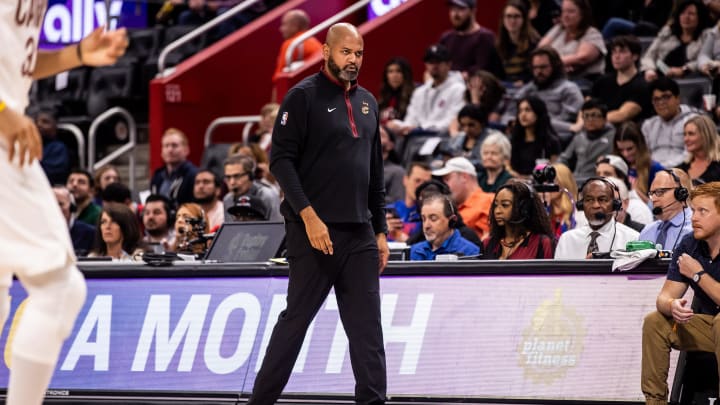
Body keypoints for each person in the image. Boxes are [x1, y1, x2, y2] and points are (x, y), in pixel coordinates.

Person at [247, 23, 388, 405]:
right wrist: (309, 216)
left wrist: (380, 230)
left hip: (359, 234)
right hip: (313, 234)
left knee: (368, 334)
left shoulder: (369, 103)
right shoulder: (302, 97)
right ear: (326, 51)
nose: (353, 60)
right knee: (295, 324)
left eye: (358, 54)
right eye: (346, 52)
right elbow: (281, 160)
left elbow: (373, 172)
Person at [640, 181, 720, 404]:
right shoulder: (689, 244)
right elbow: (664, 297)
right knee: (655, 322)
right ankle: (655, 401)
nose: (694, 217)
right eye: (693, 210)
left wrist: (697, 275)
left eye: (703, 211)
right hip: (708, 327)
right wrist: (671, 306)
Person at [385, 44, 466, 136]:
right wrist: (398, 125)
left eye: (438, 62)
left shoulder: (459, 89)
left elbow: (452, 122)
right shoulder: (420, 92)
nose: (434, 66)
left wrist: (421, 129)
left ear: (448, 64)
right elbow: (411, 120)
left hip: (441, 138)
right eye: (430, 62)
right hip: (416, 138)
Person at [510, 47, 584, 141]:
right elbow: (510, 114)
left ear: (555, 67)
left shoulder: (569, 89)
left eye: (543, 67)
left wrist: (536, 122)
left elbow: (569, 122)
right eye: (535, 68)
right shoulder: (527, 90)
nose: (539, 72)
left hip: (556, 137)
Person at [554, 177, 639, 259]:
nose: (595, 205)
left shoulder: (632, 239)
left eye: (602, 200)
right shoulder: (567, 240)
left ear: (614, 205)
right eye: (589, 200)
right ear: (581, 205)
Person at [640, 0, 712, 82]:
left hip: (689, 79)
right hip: (658, 77)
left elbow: (706, 59)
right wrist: (649, 70)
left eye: (691, 14)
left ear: (700, 17)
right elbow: (649, 55)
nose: (686, 17)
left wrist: (685, 69)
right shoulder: (668, 31)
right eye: (683, 13)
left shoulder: (707, 36)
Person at [589, 35, 652, 125]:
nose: (616, 56)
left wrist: (590, 119)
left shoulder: (642, 86)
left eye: (622, 52)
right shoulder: (602, 81)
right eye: (614, 52)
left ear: (635, 56)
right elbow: (585, 107)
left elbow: (621, 115)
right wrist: (581, 123)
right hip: (593, 126)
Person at [484, 181, 555, 259]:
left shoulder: (542, 243)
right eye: (495, 205)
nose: (497, 211)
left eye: (505, 205)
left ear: (523, 209)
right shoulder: (487, 244)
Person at [538, 0, 607, 79]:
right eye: (563, 11)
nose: (565, 15)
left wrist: (550, 64)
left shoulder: (592, 34)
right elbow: (540, 49)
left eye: (571, 12)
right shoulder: (558, 29)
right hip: (555, 78)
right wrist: (560, 66)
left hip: (583, 82)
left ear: (582, 14)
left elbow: (581, 58)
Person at [642, 77, 699, 168]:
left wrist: (662, 168)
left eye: (666, 97)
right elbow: (643, 155)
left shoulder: (693, 121)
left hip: (681, 170)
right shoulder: (648, 125)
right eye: (656, 99)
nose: (661, 102)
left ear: (677, 98)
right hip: (652, 172)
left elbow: (690, 155)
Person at [433, 156, 495, 240]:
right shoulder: (450, 207)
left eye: (447, 179)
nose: (445, 186)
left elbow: (485, 243)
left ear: (464, 177)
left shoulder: (488, 201)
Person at [439, 0, 504, 79]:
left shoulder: (485, 37)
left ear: (473, 11)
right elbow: (436, 64)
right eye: (452, 9)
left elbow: (480, 71)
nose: (455, 14)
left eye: (460, 9)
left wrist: (451, 80)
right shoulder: (446, 37)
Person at [409, 193, 481, 260]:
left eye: (433, 218)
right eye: (423, 219)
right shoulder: (415, 250)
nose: (426, 225)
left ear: (452, 220)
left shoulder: (469, 252)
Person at [558, 98, 615, 180]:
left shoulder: (613, 137)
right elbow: (564, 159)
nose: (590, 119)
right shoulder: (579, 137)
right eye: (586, 116)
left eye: (594, 115)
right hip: (575, 179)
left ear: (604, 119)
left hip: (598, 180)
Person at [639, 169, 694, 251]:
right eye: (651, 193)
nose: (653, 199)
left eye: (660, 192)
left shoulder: (696, 229)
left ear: (681, 194)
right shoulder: (647, 231)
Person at [509, 96, 562, 177]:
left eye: (528, 110)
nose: (523, 114)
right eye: (520, 111)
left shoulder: (551, 141)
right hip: (516, 182)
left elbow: (555, 168)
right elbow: (507, 166)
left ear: (538, 113)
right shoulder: (513, 140)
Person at [613, 121, 665, 204]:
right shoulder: (614, 166)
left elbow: (661, 206)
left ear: (640, 145)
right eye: (621, 150)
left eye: (630, 149)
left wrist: (635, 193)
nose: (625, 154)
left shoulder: (655, 169)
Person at [594, 154, 654, 226]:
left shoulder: (638, 209)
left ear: (621, 178)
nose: (601, 178)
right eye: (598, 174)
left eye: (607, 174)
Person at [222, 154, 281, 221]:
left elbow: (278, 228)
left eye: (237, 176)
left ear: (251, 176)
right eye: (228, 177)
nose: (232, 182)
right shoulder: (228, 199)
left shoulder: (268, 196)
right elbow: (230, 229)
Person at [150, 128, 199, 206]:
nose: (170, 150)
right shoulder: (157, 175)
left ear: (186, 150)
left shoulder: (195, 175)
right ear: (162, 151)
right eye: (166, 146)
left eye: (174, 145)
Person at [272, 9, 323, 84]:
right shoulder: (315, 42)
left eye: (284, 24)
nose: (281, 29)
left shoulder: (291, 45)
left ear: (294, 26)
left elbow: (278, 79)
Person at [497, 0, 540, 85]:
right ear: (503, 19)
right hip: (505, 86)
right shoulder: (499, 44)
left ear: (524, 19)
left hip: (528, 87)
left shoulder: (534, 43)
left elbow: (536, 73)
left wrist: (524, 81)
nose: (512, 21)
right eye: (508, 16)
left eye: (516, 16)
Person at [386, 162, 432, 242]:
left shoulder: (430, 214)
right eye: (417, 181)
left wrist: (403, 238)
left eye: (425, 183)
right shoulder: (388, 210)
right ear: (405, 180)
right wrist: (381, 232)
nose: (420, 186)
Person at [52, 185, 95, 256]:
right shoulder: (39, 233)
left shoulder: (90, 233)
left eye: (60, 204)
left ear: (72, 207)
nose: (56, 208)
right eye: (52, 204)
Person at [676, 115, 720, 185]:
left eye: (691, 134)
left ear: (705, 135)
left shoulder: (717, 167)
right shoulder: (681, 169)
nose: (686, 139)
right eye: (684, 134)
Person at [35, 107, 70, 185]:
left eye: (45, 122)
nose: (39, 125)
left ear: (55, 126)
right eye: (37, 122)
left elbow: (50, 174)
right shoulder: (28, 145)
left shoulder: (58, 148)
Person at [377, 57, 415, 124]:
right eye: (390, 71)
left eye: (398, 71)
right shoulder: (383, 99)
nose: (394, 75)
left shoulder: (414, 97)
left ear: (405, 74)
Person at [545, 162, 579, 238]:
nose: (548, 185)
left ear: (564, 183)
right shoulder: (545, 211)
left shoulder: (578, 212)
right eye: (546, 181)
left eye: (552, 181)